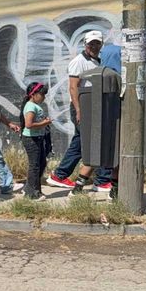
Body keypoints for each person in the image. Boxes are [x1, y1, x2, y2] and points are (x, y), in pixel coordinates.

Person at [47, 30, 112, 192]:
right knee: (93, 142)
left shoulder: (98, 61)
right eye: (91, 44)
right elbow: (73, 87)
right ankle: (101, 179)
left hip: (94, 106)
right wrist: (78, 110)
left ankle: (60, 175)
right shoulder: (79, 62)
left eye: (97, 43)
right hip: (83, 107)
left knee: (81, 143)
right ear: (85, 44)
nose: (94, 47)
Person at [20, 82, 53, 200]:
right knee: (35, 166)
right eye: (42, 94)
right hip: (31, 139)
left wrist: (44, 121)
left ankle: (28, 188)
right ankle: (33, 193)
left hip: (38, 138)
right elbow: (29, 124)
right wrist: (44, 123)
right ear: (33, 94)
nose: (44, 97)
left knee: (41, 163)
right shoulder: (30, 106)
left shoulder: (35, 106)